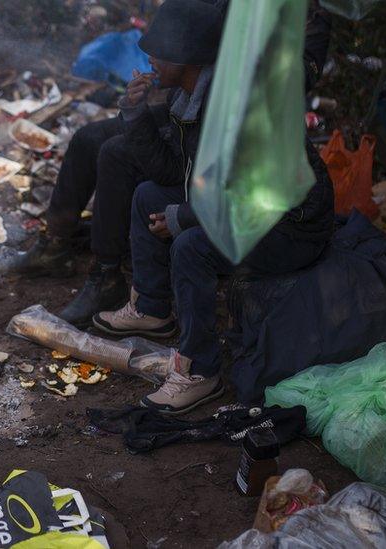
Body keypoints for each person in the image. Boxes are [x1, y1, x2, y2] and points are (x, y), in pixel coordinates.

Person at [10, 0, 333, 328]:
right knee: (89, 138)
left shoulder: (305, 16)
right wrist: (136, 109)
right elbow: (184, 25)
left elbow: (296, 81)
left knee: (118, 154)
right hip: (190, 91)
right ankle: (56, 244)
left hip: (222, 105)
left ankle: (110, 275)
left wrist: (185, 215)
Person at [93, 2, 335, 414]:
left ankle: (200, 371)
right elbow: (172, 170)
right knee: (149, 194)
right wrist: (134, 114)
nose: (148, 59)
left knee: (192, 247)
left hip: (291, 227)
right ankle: (152, 308)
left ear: (187, 57)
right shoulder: (190, 95)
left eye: (159, 52)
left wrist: (184, 218)